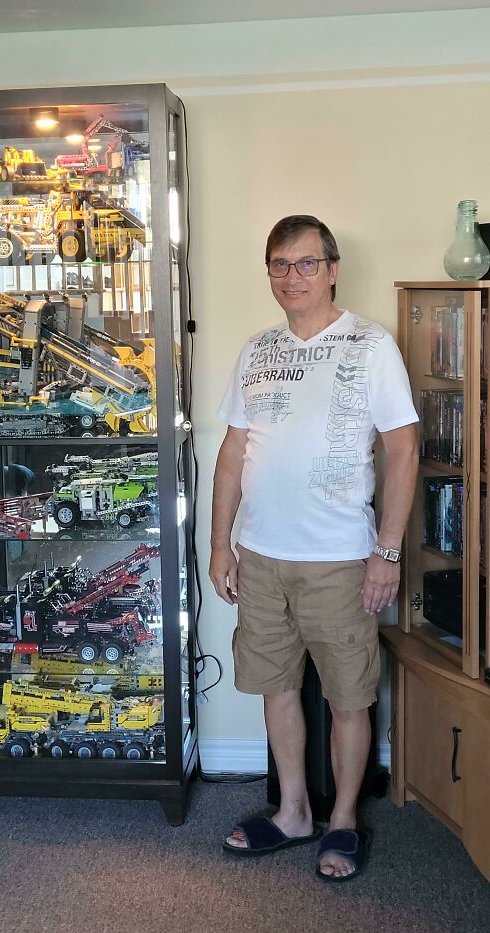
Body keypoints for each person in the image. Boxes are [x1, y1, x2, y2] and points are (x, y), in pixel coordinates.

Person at [209, 215, 418, 882]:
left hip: (338, 557)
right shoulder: (256, 349)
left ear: (332, 269)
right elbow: (233, 453)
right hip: (262, 557)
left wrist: (387, 552)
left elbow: (404, 449)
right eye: (278, 264)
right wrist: (220, 544)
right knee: (275, 688)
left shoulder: (369, 344)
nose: (291, 276)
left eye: (304, 263)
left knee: (348, 696)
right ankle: (294, 810)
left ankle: (344, 819)